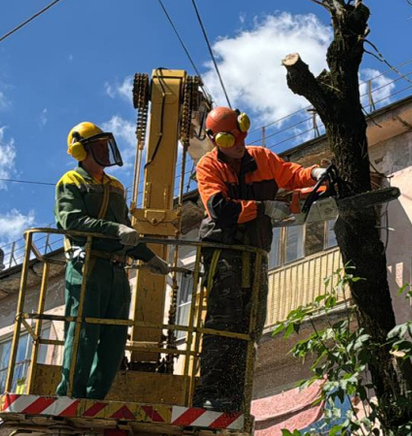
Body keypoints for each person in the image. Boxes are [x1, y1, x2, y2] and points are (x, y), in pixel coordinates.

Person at [194, 107, 327, 411]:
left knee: (251, 322)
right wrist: (263, 208)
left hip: (256, 250)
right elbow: (220, 209)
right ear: (217, 140)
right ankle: (211, 392)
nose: (239, 141)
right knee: (224, 320)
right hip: (225, 250)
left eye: (240, 131)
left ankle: (236, 393)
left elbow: (290, 175)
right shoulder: (208, 166)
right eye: (230, 137)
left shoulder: (262, 157)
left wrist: (314, 174)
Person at [55, 121, 170, 399]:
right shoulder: (71, 182)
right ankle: (71, 394)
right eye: (99, 147)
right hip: (88, 266)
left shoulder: (115, 186)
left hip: (117, 270)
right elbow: (71, 221)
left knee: (114, 340)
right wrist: (115, 230)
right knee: (84, 333)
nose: (106, 152)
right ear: (82, 151)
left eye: (106, 146)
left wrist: (148, 257)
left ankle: (95, 397)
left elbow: (126, 230)